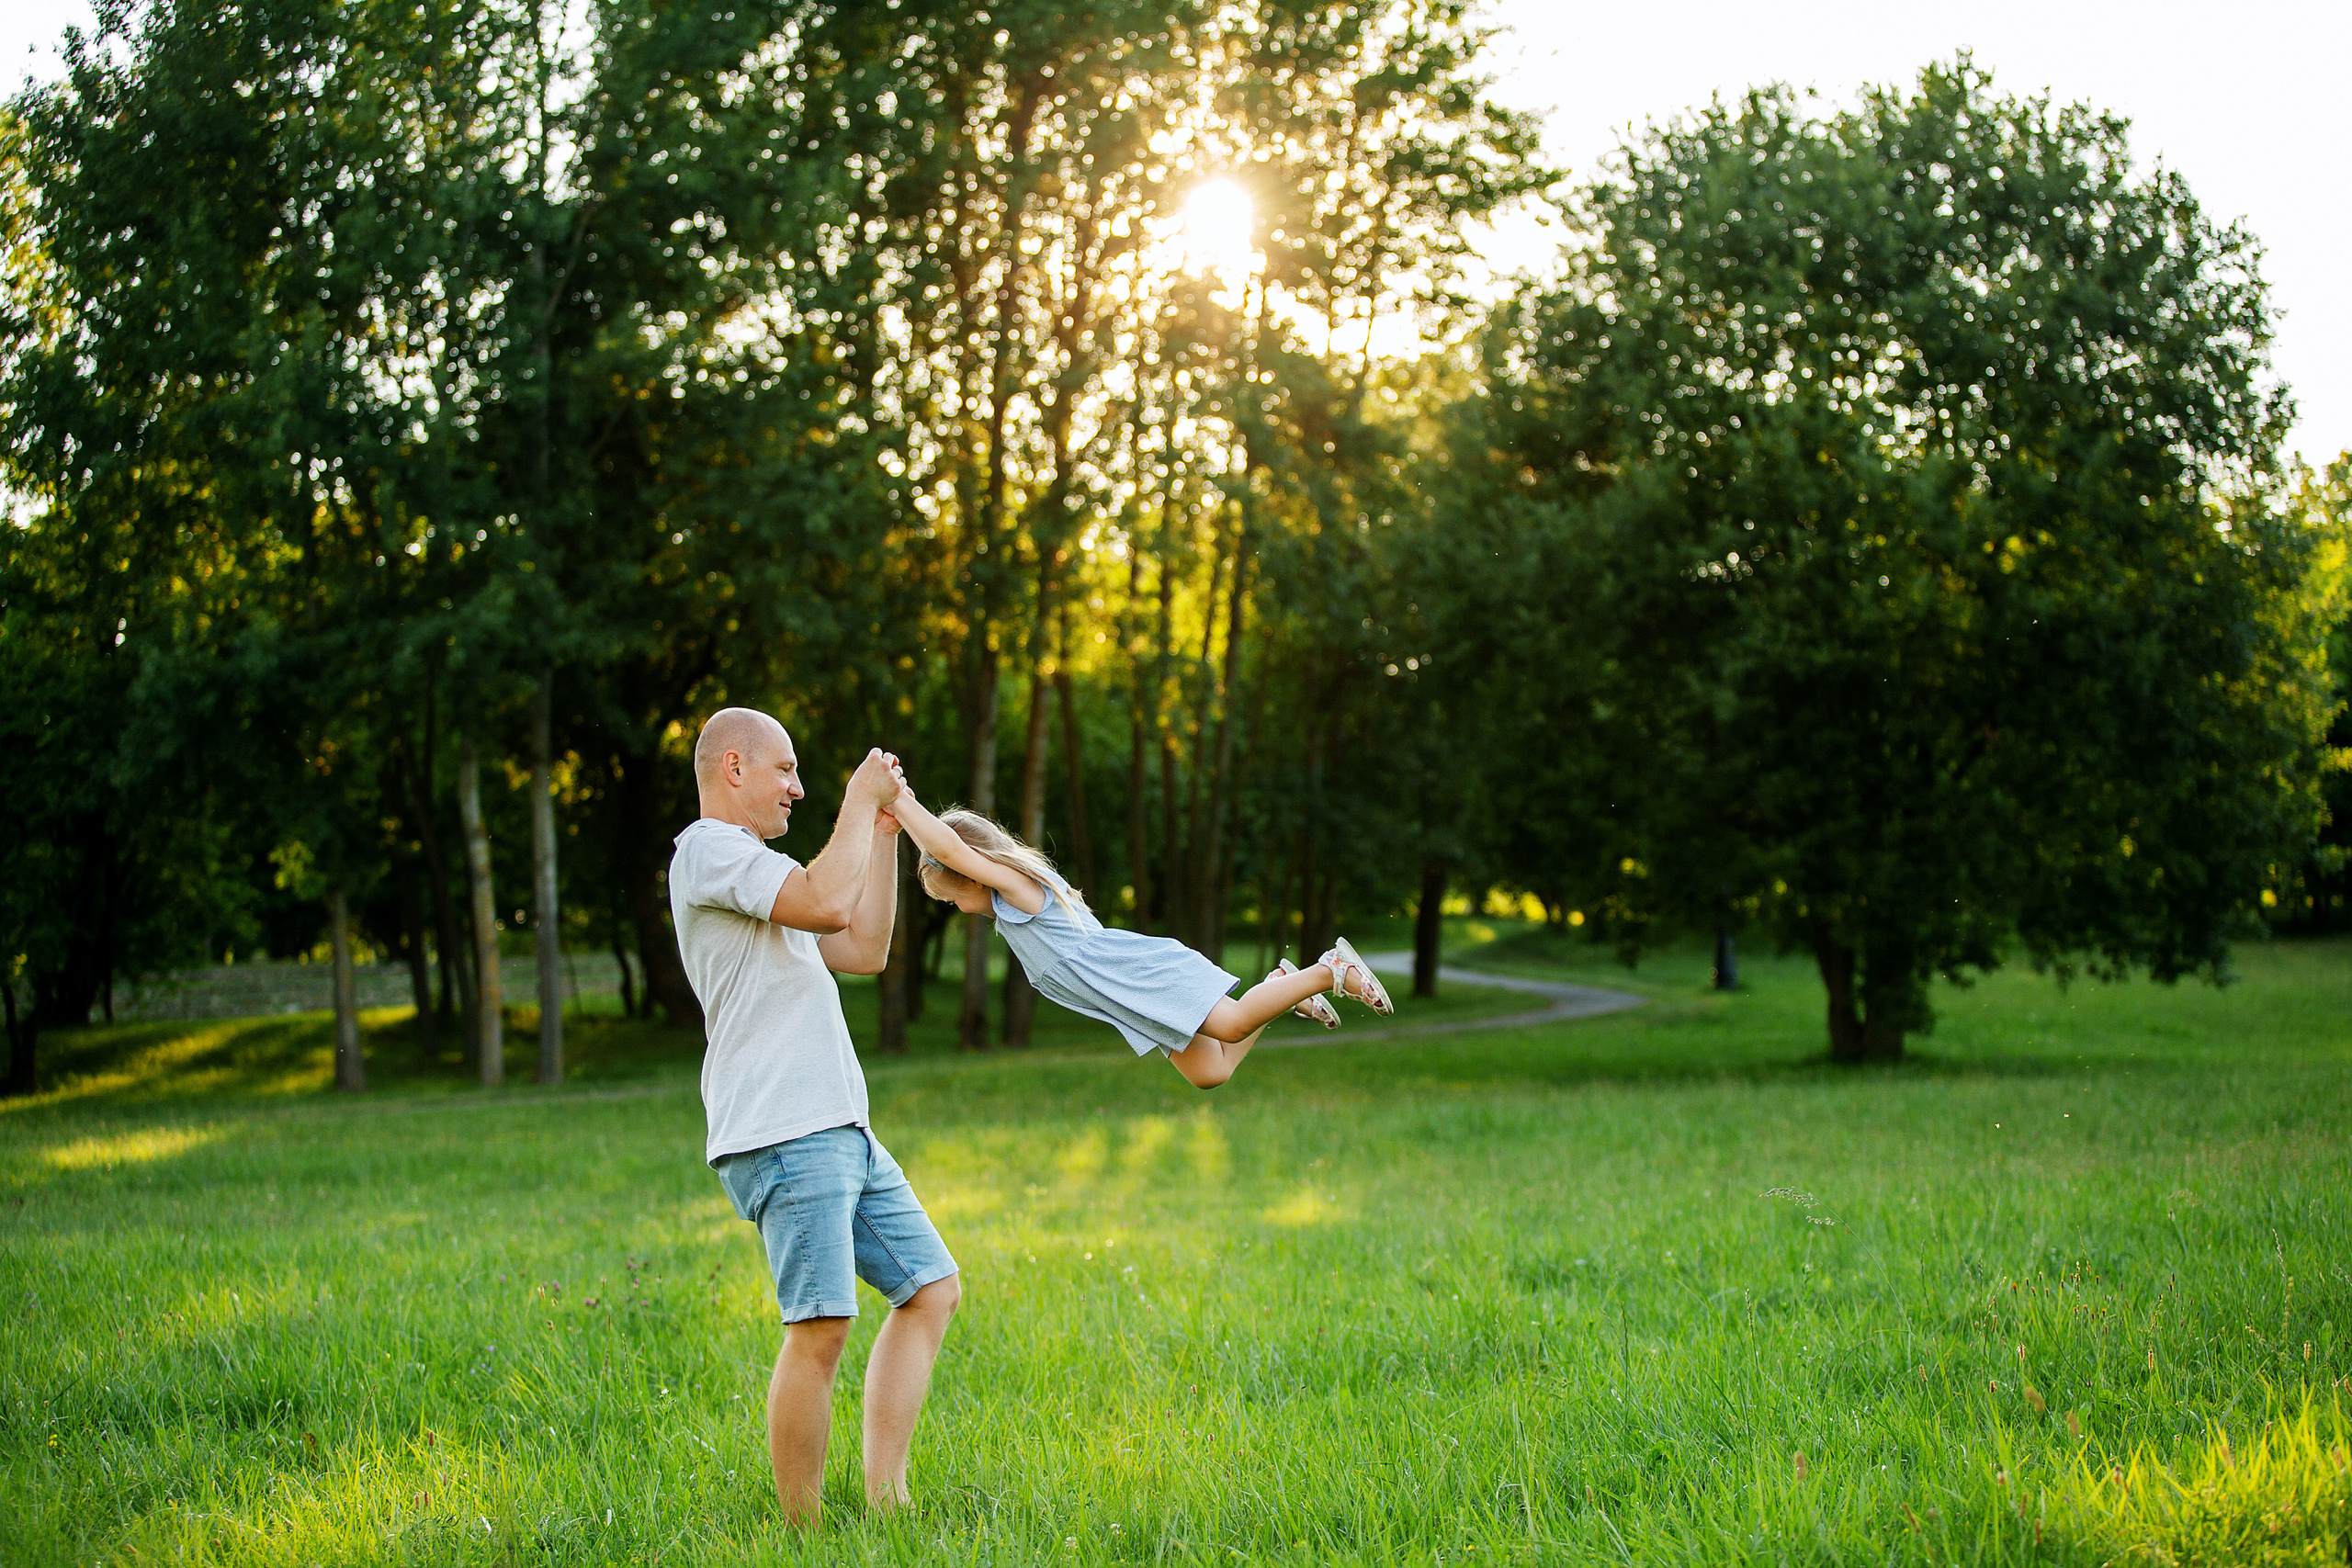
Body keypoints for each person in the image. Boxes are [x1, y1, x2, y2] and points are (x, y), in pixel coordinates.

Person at [667, 706, 958, 1528]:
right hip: (783, 1130)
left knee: (930, 1287)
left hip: (839, 1127)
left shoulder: (765, 876)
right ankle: (802, 1531)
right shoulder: (710, 851)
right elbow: (831, 902)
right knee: (821, 1324)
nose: (796, 786)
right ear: (733, 768)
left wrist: (888, 828)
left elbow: (862, 943)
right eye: (785, 769)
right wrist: (857, 800)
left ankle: (886, 1496)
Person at [889, 791, 1393, 1088]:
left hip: (1139, 975)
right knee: (1210, 1073)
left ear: (974, 877)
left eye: (952, 899)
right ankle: (1283, 985)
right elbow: (949, 851)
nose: (956, 909)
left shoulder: (1020, 890)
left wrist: (899, 800)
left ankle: (1329, 969)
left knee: (1235, 1025)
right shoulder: (1007, 906)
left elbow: (949, 848)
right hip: (1128, 998)